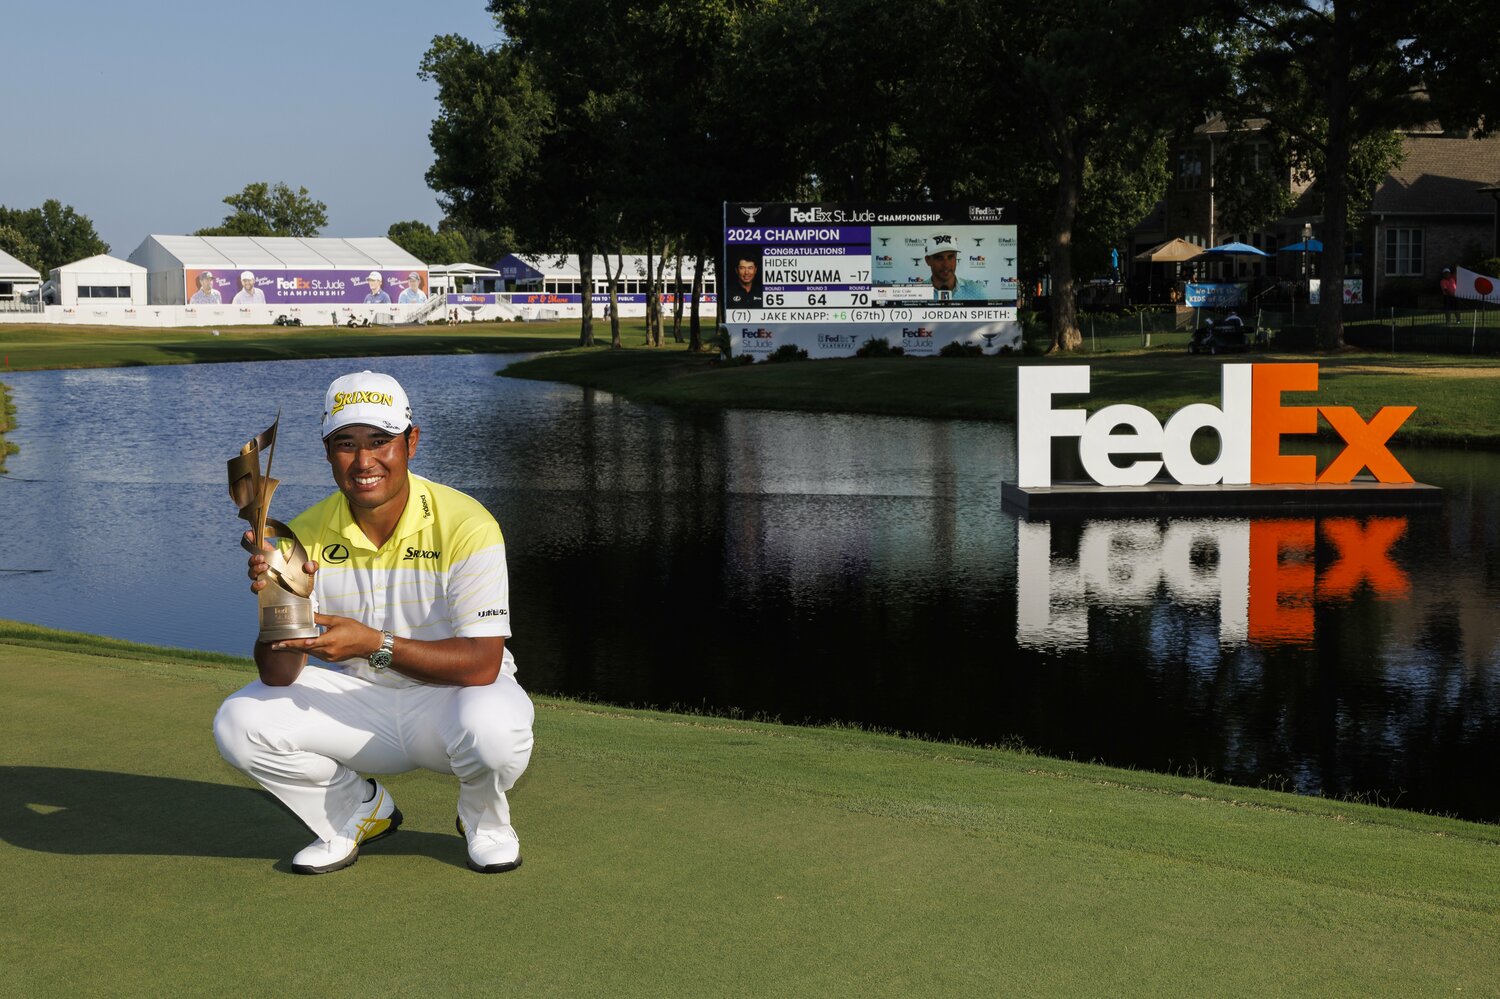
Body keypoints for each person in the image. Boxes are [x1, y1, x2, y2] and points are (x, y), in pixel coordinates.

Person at [213, 371, 536, 875]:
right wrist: (281, 601)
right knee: (239, 723)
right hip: (362, 708)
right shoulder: (302, 535)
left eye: (380, 440)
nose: (364, 461)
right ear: (327, 451)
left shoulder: (468, 524)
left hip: (453, 702)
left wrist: (372, 644)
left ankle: (485, 821)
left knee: (493, 727)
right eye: (346, 443)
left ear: (411, 442)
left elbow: (481, 664)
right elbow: (278, 676)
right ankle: (354, 812)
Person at [923, 232, 986, 301]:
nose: (946, 265)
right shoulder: (917, 292)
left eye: (950, 257)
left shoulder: (976, 291)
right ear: (928, 260)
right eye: (939, 258)